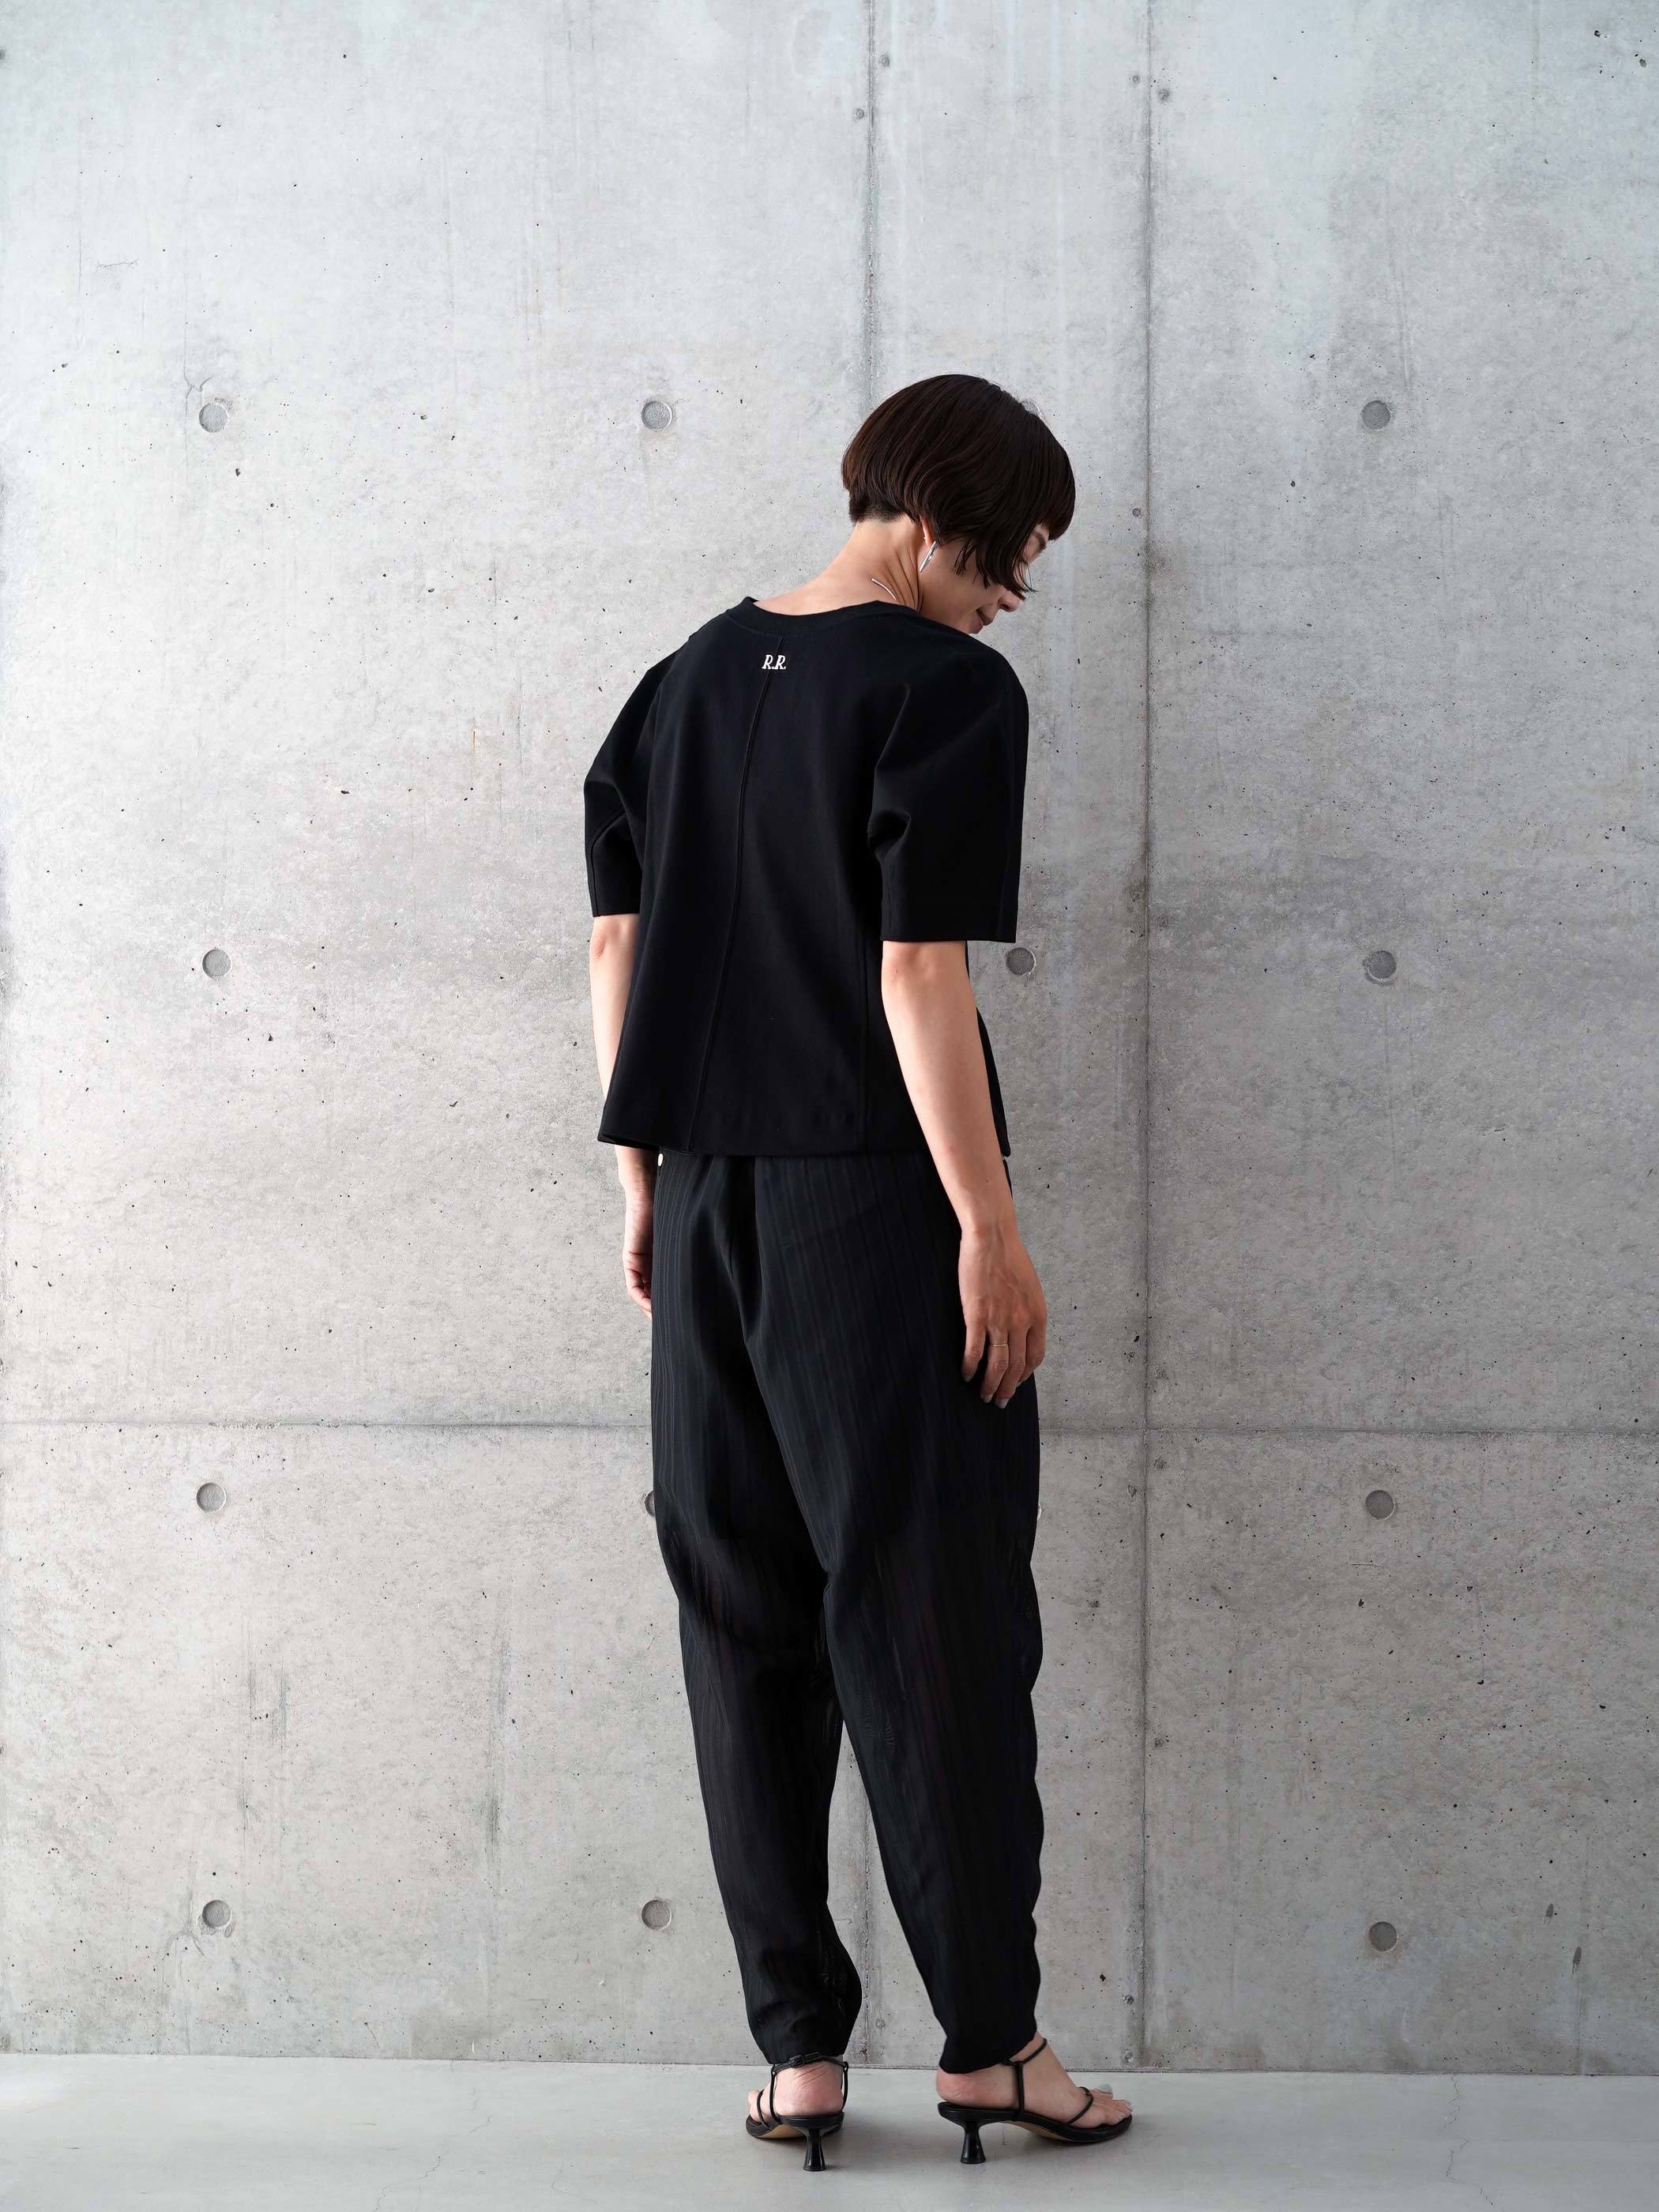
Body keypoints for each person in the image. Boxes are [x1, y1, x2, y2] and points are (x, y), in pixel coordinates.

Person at [583, 373, 1132, 2169]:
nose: (1009, 600)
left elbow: (616, 939)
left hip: (706, 1205)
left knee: (740, 1621)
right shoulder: (942, 690)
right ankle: (990, 2047)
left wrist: (646, 1178)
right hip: (875, 1213)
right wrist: (990, 1224)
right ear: (942, 513)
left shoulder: (681, 678)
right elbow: (916, 971)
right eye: (1012, 557)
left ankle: (798, 2055)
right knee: (930, 1613)